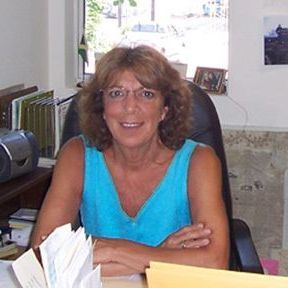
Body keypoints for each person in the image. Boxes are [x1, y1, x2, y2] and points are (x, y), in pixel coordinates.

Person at [31, 45, 229, 276]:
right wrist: (160, 256)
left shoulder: (199, 161)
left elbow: (215, 263)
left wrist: (111, 249)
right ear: (102, 107)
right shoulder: (77, 155)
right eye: (116, 93)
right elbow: (42, 256)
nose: (130, 107)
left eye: (146, 94)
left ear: (165, 108)